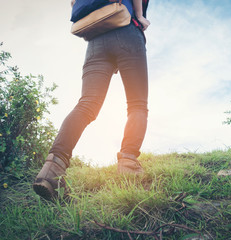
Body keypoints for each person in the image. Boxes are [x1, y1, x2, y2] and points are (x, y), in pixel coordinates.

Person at [33, 0, 150, 200]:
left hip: (96, 41)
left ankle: (52, 169)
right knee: (137, 104)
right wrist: (139, 16)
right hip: (126, 29)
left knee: (87, 104)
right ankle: (128, 166)